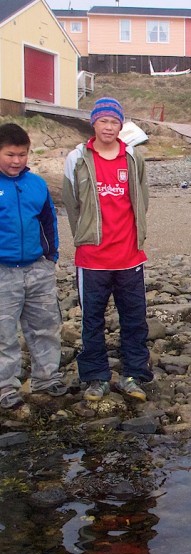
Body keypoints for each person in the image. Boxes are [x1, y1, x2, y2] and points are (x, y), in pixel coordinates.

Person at [62, 97, 152, 402]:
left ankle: (134, 373)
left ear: (121, 125)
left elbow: (142, 198)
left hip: (129, 257)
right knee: (92, 320)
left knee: (135, 318)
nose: (109, 127)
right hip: (93, 259)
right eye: (104, 121)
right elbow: (72, 204)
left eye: (115, 122)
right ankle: (95, 376)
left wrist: (136, 235)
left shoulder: (133, 158)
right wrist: (85, 237)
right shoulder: (77, 158)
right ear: (94, 123)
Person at [0, 123, 67, 410]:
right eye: (10, 155)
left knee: (46, 326)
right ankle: (6, 386)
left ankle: (46, 376)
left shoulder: (37, 184)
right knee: (3, 333)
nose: (17, 161)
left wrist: (50, 257)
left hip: (38, 268)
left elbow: (49, 221)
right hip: (3, 270)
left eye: (22, 154)